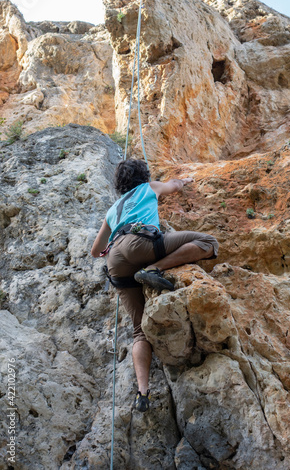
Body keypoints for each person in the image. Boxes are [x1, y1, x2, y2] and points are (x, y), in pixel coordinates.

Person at [91, 159, 218, 412]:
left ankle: (143, 393)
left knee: (139, 330)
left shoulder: (112, 209)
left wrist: (115, 244)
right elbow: (173, 186)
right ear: (144, 175)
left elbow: (96, 252)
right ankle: (152, 269)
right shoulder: (149, 187)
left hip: (115, 258)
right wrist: (184, 181)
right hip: (142, 243)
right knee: (209, 242)